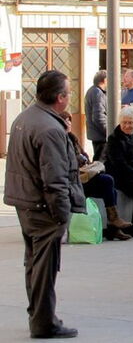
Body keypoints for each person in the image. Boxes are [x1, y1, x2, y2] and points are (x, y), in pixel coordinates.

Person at [3, 70, 84, 339]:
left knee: (35, 264)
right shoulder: (48, 128)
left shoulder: (27, 118)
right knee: (44, 268)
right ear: (60, 97)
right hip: (41, 207)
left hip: (26, 201)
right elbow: (55, 178)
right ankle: (44, 322)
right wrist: (62, 214)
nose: (70, 97)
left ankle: (39, 316)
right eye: (68, 93)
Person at [61, 111, 131, 241]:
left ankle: (114, 226)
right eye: (65, 121)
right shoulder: (59, 140)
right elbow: (66, 161)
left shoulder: (72, 138)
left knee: (111, 190)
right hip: (72, 182)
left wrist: (85, 160)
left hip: (82, 177)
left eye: (69, 120)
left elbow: (84, 156)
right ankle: (114, 222)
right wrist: (79, 160)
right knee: (107, 181)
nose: (68, 123)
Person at [104, 106, 133, 238]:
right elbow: (120, 164)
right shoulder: (114, 139)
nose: (127, 125)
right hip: (121, 177)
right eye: (124, 122)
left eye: (130, 122)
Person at [84, 70, 108, 161]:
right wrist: (108, 132)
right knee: (100, 161)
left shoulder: (93, 91)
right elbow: (98, 117)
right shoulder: (97, 93)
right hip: (100, 135)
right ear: (105, 80)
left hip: (97, 134)